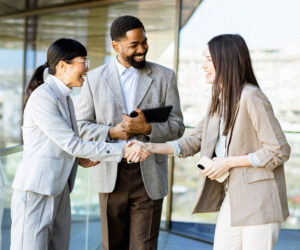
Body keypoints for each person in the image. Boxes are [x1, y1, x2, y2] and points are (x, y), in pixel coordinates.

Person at [129, 34, 291, 250]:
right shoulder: (218, 100)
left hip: (260, 200)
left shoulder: (251, 96)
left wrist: (228, 162)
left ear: (226, 61)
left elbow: (279, 150)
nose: (203, 66)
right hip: (233, 197)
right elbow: (193, 141)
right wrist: (148, 147)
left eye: (209, 60)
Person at [10, 38, 147, 250]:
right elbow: (72, 144)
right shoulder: (43, 98)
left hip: (59, 187)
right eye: (83, 60)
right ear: (62, 66)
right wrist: (123, 150)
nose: (88, 67)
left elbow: (63, 145)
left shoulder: (65, 98)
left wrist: (80, 159)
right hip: (36, 190)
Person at [75, 15, 184, 250]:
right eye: (134, 45)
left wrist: (147, 128)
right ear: (116, 46)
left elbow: (177, 126)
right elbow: (81, 125)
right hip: (109, 172)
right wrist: (113, 132)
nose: (142, 49)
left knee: (144, 246)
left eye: (144, 42)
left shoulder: (165, 77)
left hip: (149, 175)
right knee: (112, 244)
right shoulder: (94, 79)